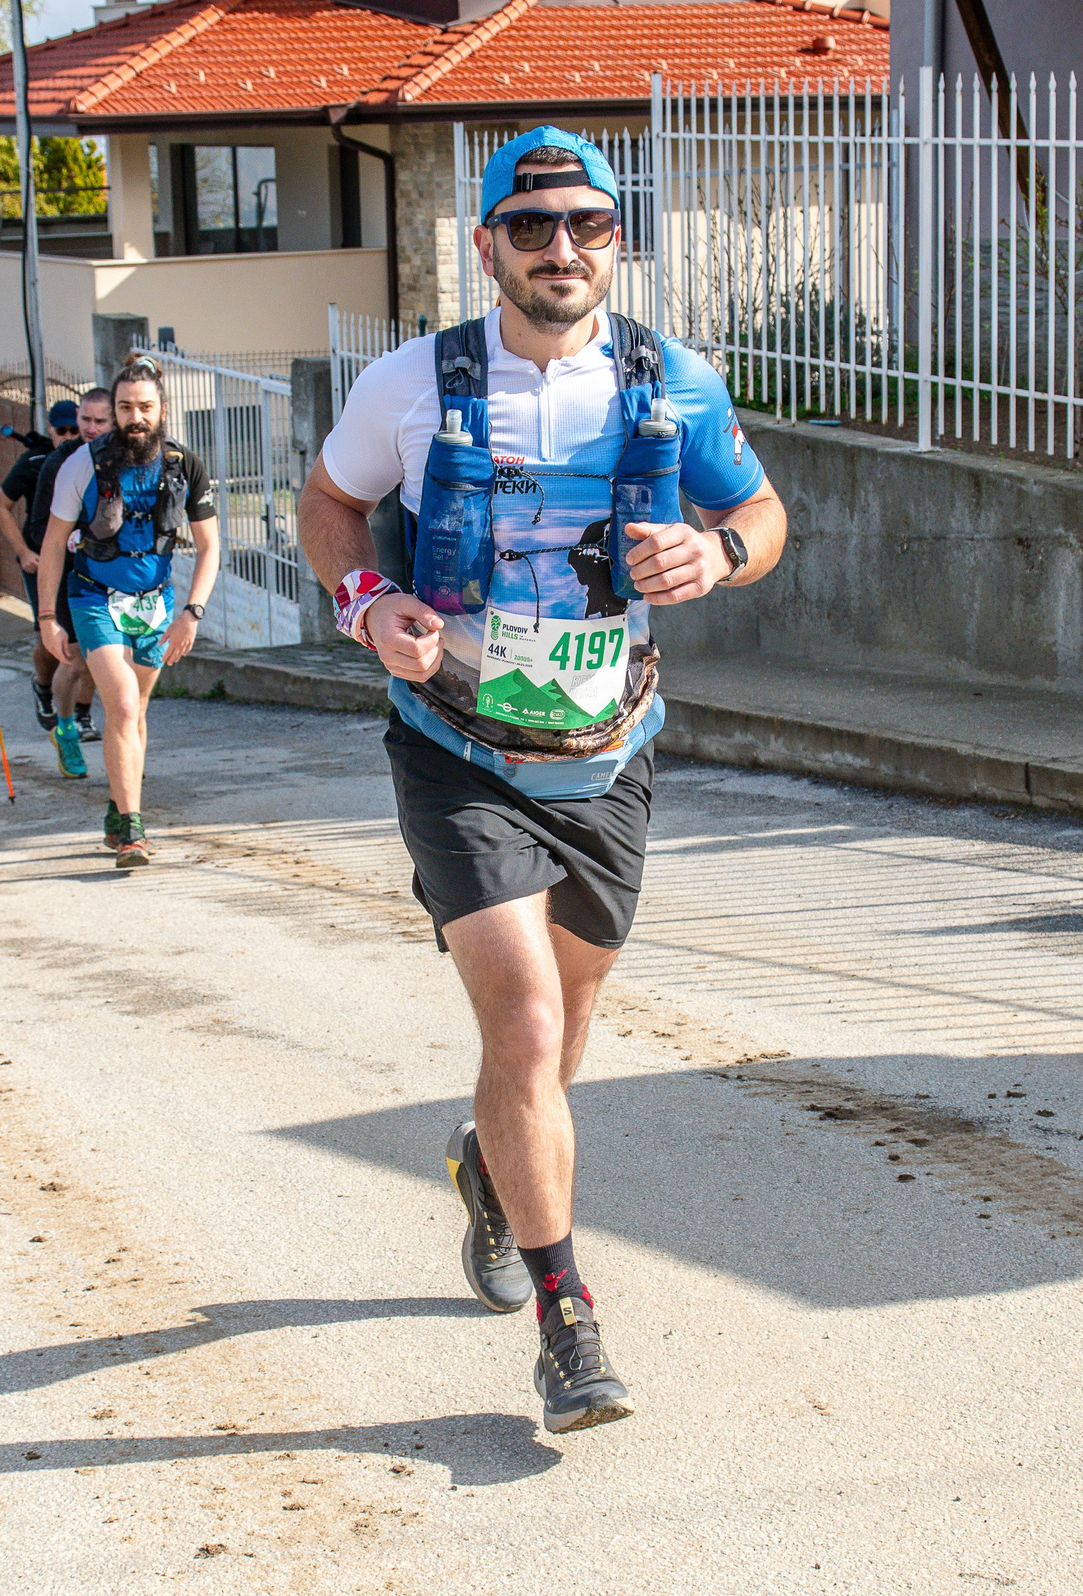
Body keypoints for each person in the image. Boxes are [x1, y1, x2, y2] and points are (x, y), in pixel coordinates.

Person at [295, 128, 787, 1434]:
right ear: (487, 246)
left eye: (588, 225)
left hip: (606, 749)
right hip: (455, 744)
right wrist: (367, 599)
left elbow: (767, 514)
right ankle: (567, 1320)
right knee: (518, 1026)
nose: (560, 249)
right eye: (532, 227)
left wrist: (719, 550)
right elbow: (328, 506)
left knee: (557, 1046)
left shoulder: (672, 381)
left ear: (618, 241)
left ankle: (487, 1166)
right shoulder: (412, 381)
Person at [35, 361, 218, 866]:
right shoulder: (81, 465)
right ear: (113, 411)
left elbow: (210, 547)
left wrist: (191, 614)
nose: (134, 417)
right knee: (119, 703)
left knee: (135, 711)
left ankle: (119, 810)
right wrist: (48, 617)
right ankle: (135, 830)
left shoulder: (184, 464)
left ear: (161, 409)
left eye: (144, 407)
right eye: (124, 408)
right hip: (94, 599)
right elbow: (53, 545)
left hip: (154, 605)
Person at [0, 390, 108, 757]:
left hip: (105, 572)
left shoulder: (122, 459)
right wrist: (26, 553)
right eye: (81, 423)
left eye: (99, 422)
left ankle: (84, 716)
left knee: (98, 654)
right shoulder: (46, 463)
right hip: (56, 565)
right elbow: (22, 517)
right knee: (69, 654)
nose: (85, 430)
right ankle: (62, 721)